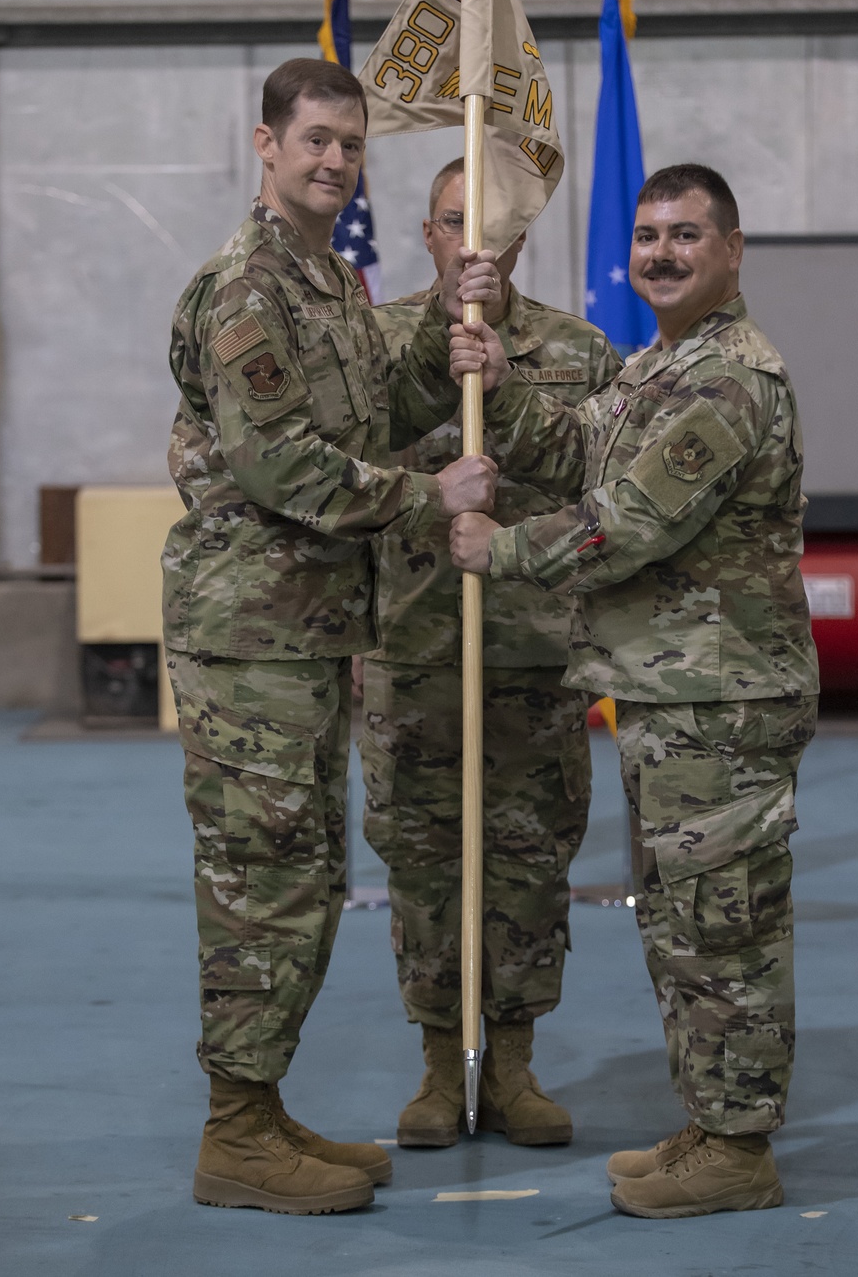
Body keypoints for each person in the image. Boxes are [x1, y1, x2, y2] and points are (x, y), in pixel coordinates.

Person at [447, 164, 819, 1219]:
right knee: (681, 920)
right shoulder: (661, 364)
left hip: (722, 700)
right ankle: (710, 1121)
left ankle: (739, 1150)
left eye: (685, 235)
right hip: (675, 693)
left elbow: (629, 523)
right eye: (647, 234)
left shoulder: (730, 380)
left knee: (723, 925)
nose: (659, 251)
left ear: (732, 250)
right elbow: (577, 451)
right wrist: (502, 381)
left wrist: (501, 550)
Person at [161, 59, 500, 1216]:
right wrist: (430, 499)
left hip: (307, 635)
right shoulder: (245, 289)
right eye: (312, 140)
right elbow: (282, 465)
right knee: (262, 881)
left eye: (349, 145)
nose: (333, 161)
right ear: (264, 143)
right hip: (250, 640)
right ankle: (234, 1134)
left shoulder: (333, 286)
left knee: (304, 876)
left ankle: (260, 1112)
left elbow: (360, 417)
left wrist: (441, 355)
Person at [359, 157, 622, 1149]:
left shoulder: (577, 350)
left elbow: (605, 488)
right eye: (452, 221)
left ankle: (511, 1066)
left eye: (494, 224)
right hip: (413, 651)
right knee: (424, 865)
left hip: (533, 655)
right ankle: (438, 1065)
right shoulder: (376, 344)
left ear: (520, 241)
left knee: (527, 865)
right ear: (426, 235)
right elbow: (349, 465)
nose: (474, 240)